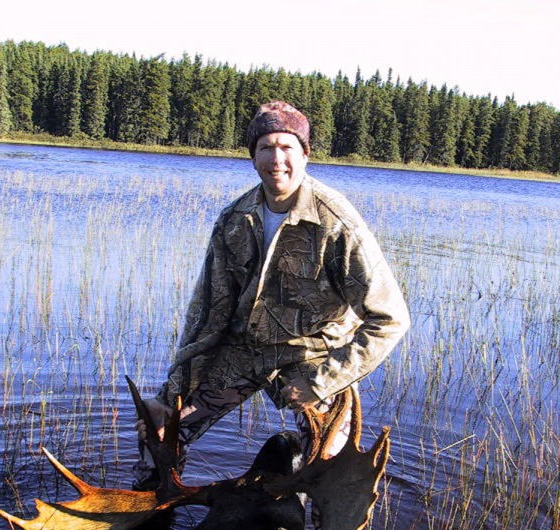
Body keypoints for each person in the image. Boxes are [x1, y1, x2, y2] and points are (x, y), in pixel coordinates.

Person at [134, 100, 410, 492]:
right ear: (253, 156)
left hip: (310, 359)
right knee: (159, 438)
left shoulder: (336, 223)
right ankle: (150, 526)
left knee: (330, 468)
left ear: (305, 154)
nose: (276, 158)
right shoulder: (235, 219)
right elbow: (207, 317)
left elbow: (390, 319)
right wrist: (171, 396)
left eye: (286, 147)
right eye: (266, 147)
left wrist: (321, 383)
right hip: (243, 352)